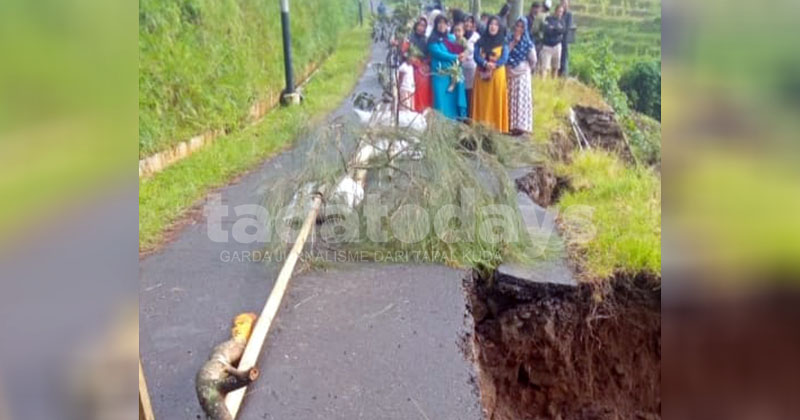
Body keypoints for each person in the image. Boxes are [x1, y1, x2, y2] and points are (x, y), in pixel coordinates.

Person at [471, 16, 509, 132]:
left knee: (495, 101)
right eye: (491, 24)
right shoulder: (480, 41)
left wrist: (495, 65)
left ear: (499, 27)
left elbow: (505, 57)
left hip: (497, 75)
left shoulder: (503, 42)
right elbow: (476, 56)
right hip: (482, 76)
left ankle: (496, 128)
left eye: (496, 25)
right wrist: (484, 63)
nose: (493, 27)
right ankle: (480, 127)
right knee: (482, 102)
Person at [429, 16, 468, 120]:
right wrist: (455, 57)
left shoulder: (451, 38)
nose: (442, 25)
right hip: (439, 75)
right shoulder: (432, 40)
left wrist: (464, 54)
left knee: (452, 102)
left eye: (444, 23)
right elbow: (439, 53)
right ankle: (440, 127)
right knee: (440, 100)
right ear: (436, 25)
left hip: (451, 76)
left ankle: (453, 125)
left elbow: (462, 48)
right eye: (439, 23)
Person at [506, 17, 537, 135]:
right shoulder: (508, 39)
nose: (519, 29)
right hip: (509, 73)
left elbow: (533, 60)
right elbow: (504, 54)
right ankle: (509, 125)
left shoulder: (528, 43)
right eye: (517, 26)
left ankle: (521, 126)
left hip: (522, 75)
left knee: (521, 100)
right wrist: (513, 43)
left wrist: (525, 68)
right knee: (510, 99)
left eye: (521, 27)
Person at [402, 17, 433, 112]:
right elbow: (404, 52)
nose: (421, 28)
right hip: (411, 67)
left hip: (423, 69)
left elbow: (429, 55)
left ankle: (424, 109)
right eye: (419, 25)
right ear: (415, 26)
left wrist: (426, 64)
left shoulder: (426, 40)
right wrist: (414, 61)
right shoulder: (409, 38)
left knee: (425, 85)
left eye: (423, 26)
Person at [462, 16, 481, 116]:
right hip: (460, 68)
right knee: (462, 91)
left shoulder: (476, 37)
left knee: (471, 92)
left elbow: (478, 52)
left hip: (472, 68)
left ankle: (471, 115)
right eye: (466, 21)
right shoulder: (459, 34)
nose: (468, 24)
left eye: (471, 22)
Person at [540, 4, 566, 78]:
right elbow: (547, 30)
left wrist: (554, 28)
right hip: (547, 46)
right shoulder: (548, 19)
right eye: (559, 11)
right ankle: (543, 83)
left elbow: (562, 30)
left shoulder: (562, 22)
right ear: (555, 11)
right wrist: (556, 29)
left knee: (556, 67)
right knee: (545, 67)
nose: (560, 13)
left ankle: (553, 82)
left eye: (561, 12)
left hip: (557, 46)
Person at [527, 2, 547, 68]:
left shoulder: (542, 18)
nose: (537, 10)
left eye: (538, 8)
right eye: (535, 8)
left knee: (537, 58)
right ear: (532, 8)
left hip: (539, 41)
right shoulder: (527, 18)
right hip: (530, 40)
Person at [559, 0, 573, 77]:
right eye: (562, 2)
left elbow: (567, 27)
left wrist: (559, 29)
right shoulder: (559, 13)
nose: (563, 4)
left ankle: (564, 75)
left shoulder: (569, 14)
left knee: (564, 59)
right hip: (557, 40)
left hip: (564, 40)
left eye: (564, 3)